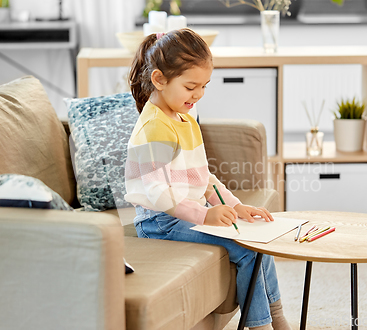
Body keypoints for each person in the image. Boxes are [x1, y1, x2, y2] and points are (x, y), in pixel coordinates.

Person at [124, 28, 291, 330]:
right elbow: (157, 192)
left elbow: (203, 177)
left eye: (204, 86)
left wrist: (234, 206)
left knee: (257, 240)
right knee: (246, 248)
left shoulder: (183, 117)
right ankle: (261, 325)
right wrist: (205, 214)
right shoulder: (153, 128)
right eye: (191, 87)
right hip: (160, 222)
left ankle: (276, 317)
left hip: (183, 215)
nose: (198, 95)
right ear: (159, 80)